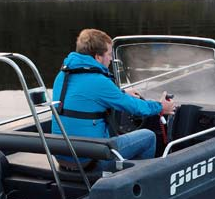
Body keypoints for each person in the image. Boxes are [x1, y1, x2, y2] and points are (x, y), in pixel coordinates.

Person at [52, 28, 176, 169]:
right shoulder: (99, 82)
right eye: (109, 54)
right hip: (92, 159)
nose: (111, 59)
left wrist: (120, 93)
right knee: (148, 137)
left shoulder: (62, 76)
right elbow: (136, 108)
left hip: (64, 157)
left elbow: (87, 94)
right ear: (98, 57)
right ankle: (133, 181)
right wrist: (161, 107)